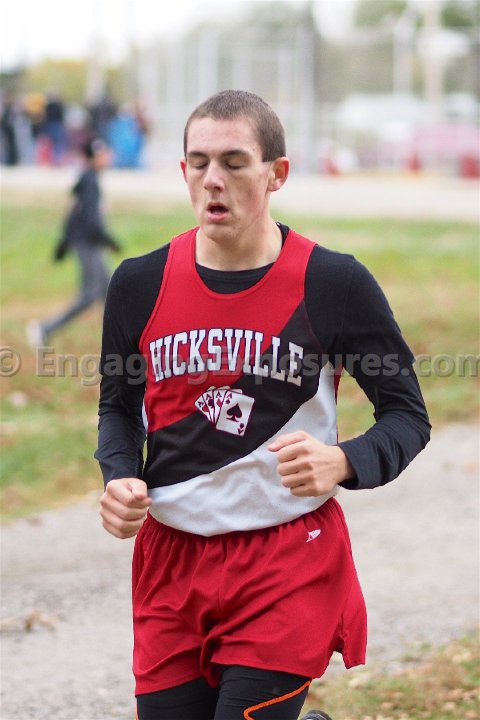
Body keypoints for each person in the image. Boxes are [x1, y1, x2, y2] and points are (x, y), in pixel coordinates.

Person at [96, 90, 430, 720]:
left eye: (234, 162)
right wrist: (118, 476)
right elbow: (117, 408)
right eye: (199, 163)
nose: (213, 180)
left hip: (287, 559)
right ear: (183, 171)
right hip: (172, 560)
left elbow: (408, 416)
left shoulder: (333, 283)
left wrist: (343, 460)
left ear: (277, 173)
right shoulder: (139, 283)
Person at [27, 138, 120, 347]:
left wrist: (65, 241)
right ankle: (44, 329)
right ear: (92, 158)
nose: (106, 158)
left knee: (109, 292)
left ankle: (119, 340)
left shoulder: (87, 179)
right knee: (89, 295)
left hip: (90, 243)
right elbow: (90, 220)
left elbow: (74, 215)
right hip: (89, 244)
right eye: (101, 155)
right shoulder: (89, 182)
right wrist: (109, 240)